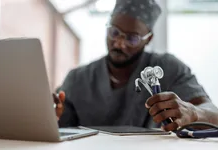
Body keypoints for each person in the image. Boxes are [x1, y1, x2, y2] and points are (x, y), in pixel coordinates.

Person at [54, 0, 218, 131]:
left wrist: (194, 113)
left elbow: (214, 115)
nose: (119, 43)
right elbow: (60, 129)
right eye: (114, 32)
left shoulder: (168, 69)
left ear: (149, 39)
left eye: (132, 38)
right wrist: (50, 117)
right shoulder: (77, 79)